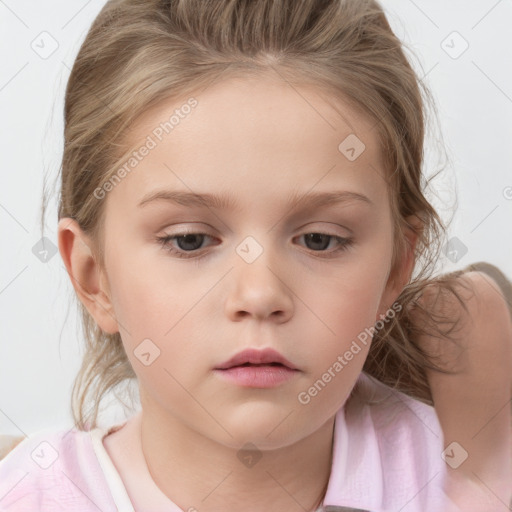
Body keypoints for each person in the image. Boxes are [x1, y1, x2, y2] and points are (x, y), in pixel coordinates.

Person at [0, 0, 510, 510]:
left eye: (320, 240)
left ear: (397, 265)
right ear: (94, 277)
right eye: (190, 240)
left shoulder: (459, 477)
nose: (260, 294)